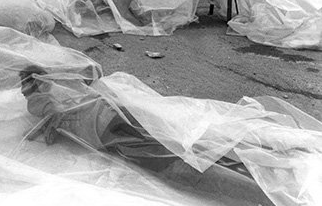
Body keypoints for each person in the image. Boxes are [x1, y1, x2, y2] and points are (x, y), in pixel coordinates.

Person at [18, 65, 253, 181]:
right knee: (169, 139)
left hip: (104, 127)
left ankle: (221, 169)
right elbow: (92, 73)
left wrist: (37, 134)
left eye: (24, 86)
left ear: (34, 83)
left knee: (158, 153)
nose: (22, 92)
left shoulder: (38, 100)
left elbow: (50, 121)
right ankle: (233, 159)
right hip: (111, 111)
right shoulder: (65, 86)